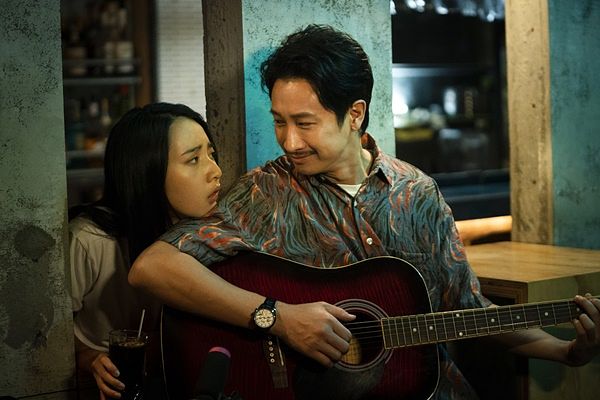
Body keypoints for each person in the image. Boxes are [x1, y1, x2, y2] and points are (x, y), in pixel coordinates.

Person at [128, 25, 600, 399]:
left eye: (305, 123)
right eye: (279, 122)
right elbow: (153, 268)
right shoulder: (265, 193)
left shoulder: (418, 194)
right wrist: (279, 316)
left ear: (354, 114)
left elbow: (468, 311)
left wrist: (566, 351)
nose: (289, 141)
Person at [70, 102, 222, 399]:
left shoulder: (202, 235)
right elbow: (40, 336)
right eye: (193, 159)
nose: (215, 171)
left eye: (211, 155)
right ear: (147, 171)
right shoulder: (88, 240)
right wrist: (88, 358)